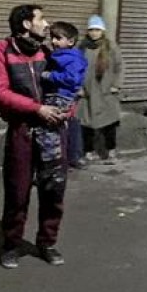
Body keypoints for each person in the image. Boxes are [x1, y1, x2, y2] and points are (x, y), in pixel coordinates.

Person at [0, 4, 69, 269]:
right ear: (26, 25)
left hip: (54, 131)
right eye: (41, 19)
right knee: (17, 192)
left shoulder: (50, 51)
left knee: (53, 191)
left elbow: (70, 83)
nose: (47, 24)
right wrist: (37, 109)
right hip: (22, 131)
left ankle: (47, 242)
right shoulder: (0, 53)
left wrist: (67, 109)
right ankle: (11, 245)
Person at [37, 21, 87, 178]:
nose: (53, 41)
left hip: (60, 98)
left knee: (49, 131)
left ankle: (52, 170)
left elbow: (72, 79)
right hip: (58, 96)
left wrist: (50, 76)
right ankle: (53, 167)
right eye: (52, 37)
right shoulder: (62, 55)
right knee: (53, 132)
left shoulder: (71, 58)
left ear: (70, 42)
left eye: (58, 38)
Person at [78, 15, 124, 166]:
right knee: (86, 125)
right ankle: (88, 152)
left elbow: (119, 67)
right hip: (88, 93)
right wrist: (78, 88)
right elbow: (75, 69)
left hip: (106, 92)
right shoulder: (82, 47)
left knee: (109, 124)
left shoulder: (111, 47)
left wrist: (116, 85)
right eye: (91, 30)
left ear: (102, 30)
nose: (94, 33)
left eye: (97, 29)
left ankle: (111, 152)